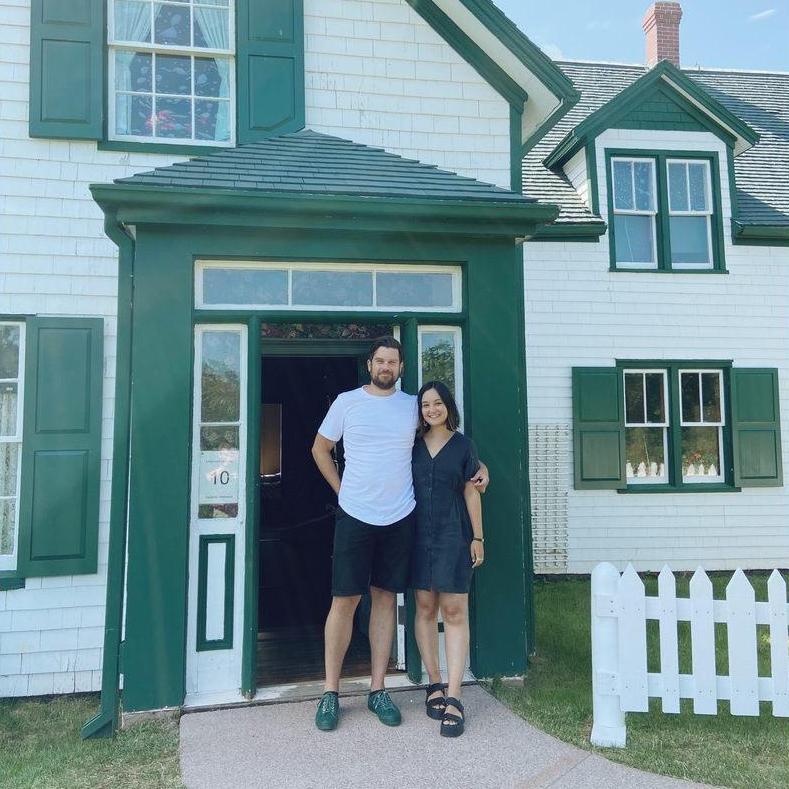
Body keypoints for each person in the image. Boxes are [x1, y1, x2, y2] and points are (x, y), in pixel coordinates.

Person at [310, 336, 488, 731]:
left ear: (401, 367)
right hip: (355, 515)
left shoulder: (413, 407)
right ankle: (330, 692)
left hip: (399, 518)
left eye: (393, 361)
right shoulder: (346, 402)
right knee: (345, 601)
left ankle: (378, 689)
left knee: (385, 600)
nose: (386, 367)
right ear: (369, 365)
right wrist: (342, 491)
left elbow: (448, 444)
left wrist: (481, 469)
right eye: (380, 361)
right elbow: (320, 449)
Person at [411, 380, 484, 738]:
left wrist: (478, 537)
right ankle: (434, 683)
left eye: (437, 403)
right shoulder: (410, 446)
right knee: (424, 608)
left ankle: (455, 695)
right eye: (426, 405)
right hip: (417, 537)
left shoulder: (464, 446)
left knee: (454, 611)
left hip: (454, 535)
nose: (431, 409)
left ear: (448, 406)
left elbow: (473, 489)